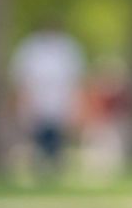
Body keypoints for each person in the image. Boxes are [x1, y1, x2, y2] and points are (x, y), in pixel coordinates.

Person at [10, 20, 85, 168]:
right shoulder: (30, 48)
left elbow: (76, 79)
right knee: (37, 134)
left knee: (57, 135)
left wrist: (76, 103)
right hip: (37, 98)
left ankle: (55, 162)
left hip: (60, 99)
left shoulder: (68, 48)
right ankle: (40, 163)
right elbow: (22, 77)